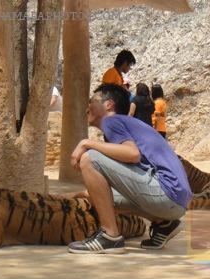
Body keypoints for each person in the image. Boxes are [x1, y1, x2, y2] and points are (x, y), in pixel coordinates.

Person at [67, 84, 191, 254]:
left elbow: (132, 154)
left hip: (166, 193)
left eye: (92, 101)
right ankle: (164, 224)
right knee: (99, 197)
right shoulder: (126, 123)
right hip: (176, 202)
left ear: (108, 104)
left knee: (90, 158)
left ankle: (110, 237)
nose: (87, 107)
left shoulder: (111, 121)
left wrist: (85, 143)